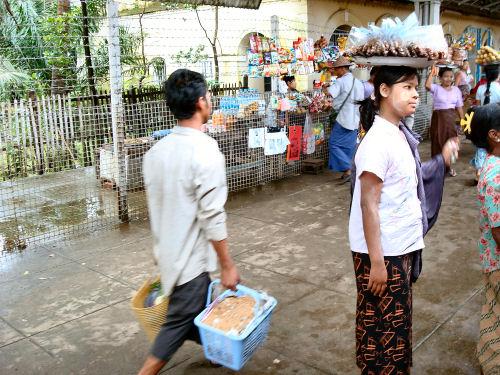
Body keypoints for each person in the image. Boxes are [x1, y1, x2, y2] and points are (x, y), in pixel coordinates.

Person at [350, 65, 458, 374]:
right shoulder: (376, 142)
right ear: (384, 90)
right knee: (385, 332)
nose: (415, 94)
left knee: (389, 328)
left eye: (415, 87)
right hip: (385, 253)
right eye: (407, 87)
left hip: (398, 247)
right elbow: (368, 206)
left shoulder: (397, 134)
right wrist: (378, 262)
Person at [139, 69, 241, 375]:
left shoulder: (156, 152)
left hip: (170, 256)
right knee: (177, 323)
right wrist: (227, 265)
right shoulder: (205, 150)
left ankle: (215, 352)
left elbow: (159, 207)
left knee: (193, 311)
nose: (209, 100)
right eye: (208, 96)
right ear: (200, 102)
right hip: (190, 263)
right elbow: (212, 216)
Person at [464, 103, 500, 375]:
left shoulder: (490, 165)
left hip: (493, 258)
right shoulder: (495, 175)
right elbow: (498, 229)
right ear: (494, 135)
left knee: (494, 310)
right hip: (498, 259)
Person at [322, 56, 364, 184]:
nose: (335, 72)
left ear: (341, 69)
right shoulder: (358, 82)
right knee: (349, 146)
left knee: (334, 143)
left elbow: (330, 94)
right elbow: (362, 103)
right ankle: (349, 171)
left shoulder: (341, 82)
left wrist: (325, 88)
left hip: (343, 119)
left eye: (335, 69)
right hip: (355, 119)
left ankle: (348, 170)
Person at [426, 63, 464, 177]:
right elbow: (427, 85)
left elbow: (459, 107)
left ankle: (448, 168)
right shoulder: (436, 88)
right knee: (437, 142)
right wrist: (431, 71)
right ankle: (437, 169)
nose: (449, 79)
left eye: (451, 76)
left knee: (450, 142)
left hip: (450, 119)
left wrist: (462, 121)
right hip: (438, 119)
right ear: (440, 78)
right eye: (446, 76)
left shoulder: (456, 90)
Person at [471, 65, 500, 183]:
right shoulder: (498, 88)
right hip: (497, 122)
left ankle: (479, 174)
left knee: (481, 148)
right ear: (497, 75)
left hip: (482, 122)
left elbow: (477, 106)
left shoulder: (480, 88)